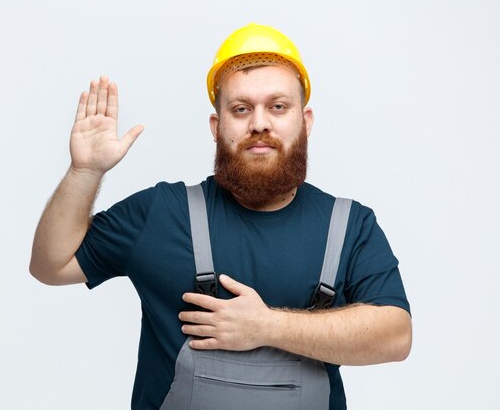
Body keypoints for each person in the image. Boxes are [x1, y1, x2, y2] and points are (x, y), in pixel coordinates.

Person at [29, 23, 412, 410]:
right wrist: (85, 172)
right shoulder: (161, 213)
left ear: (305, 121)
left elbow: (396, 337)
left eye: (277, 106)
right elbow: (51, 265)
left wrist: (266, 326)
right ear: (217, 126)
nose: (259, 123)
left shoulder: (349, 226)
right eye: (241, 109)